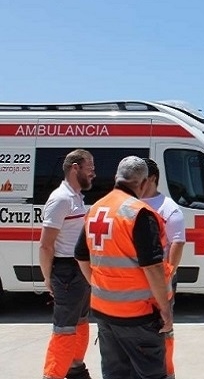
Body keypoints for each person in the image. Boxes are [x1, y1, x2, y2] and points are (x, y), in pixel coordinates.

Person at [74, 156, 173, 379]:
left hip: (104, 313)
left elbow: (81, 256)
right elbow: (153, 267)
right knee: (150, 374)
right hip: (138, 315)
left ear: (117, 178)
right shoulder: (139, 213)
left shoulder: (96, 209)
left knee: (115, 373)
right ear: (144, 182)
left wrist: (100, 287)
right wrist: (165, 310)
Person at [40, 149, 96, 379]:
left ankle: (75, 368)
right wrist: (48, 278)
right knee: (64, 329)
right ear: (75, 168)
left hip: (79, 271)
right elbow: (46, 245)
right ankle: (52, 375)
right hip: (66, 272)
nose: (94, 174)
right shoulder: (60, 199)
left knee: (81, 324)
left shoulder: (76, 198)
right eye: (90, 168)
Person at [142, 157, 186, 379]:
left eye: (140, 177)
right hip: (134, 280)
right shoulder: (131, 203)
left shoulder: (168, 208)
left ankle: (166, 372)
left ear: (152, 179)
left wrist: (168, 272)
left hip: (159, 278)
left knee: (164, 327)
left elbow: (177, 242)